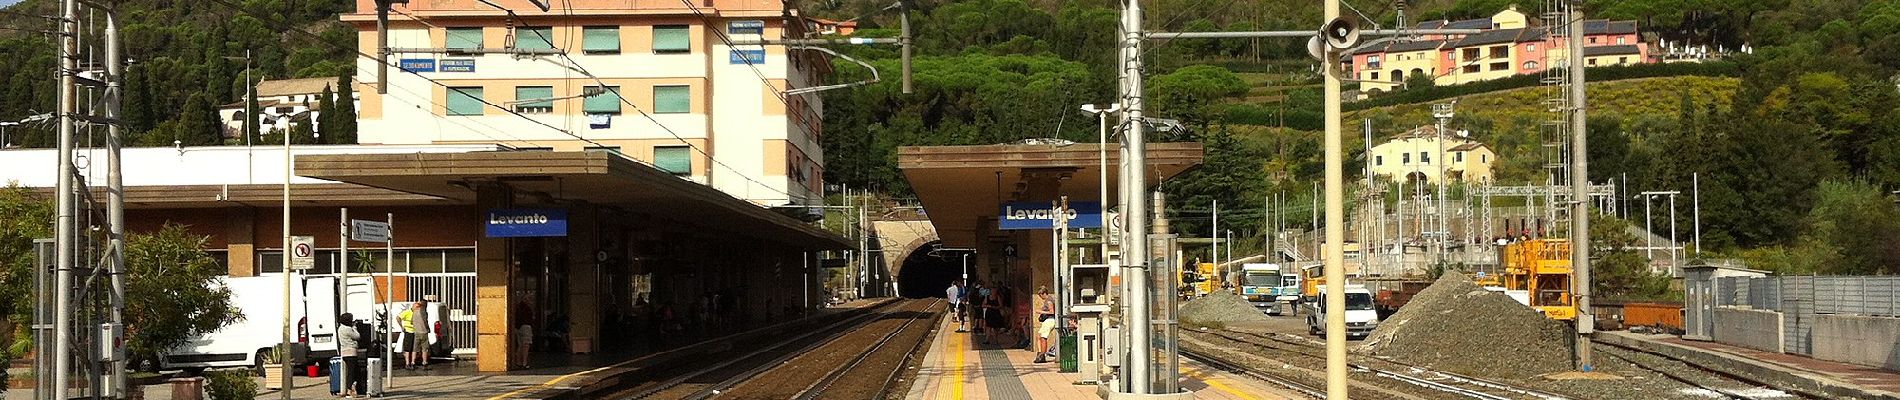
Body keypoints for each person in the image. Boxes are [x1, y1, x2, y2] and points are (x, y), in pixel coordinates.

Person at [336, 313, 363, 398]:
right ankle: (350, 390)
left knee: (352, 370)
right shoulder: (348, 329)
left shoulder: (340, 328)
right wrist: (354, 327)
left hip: (344, 352)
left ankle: (352, 388)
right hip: (351, 351)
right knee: (352, 372)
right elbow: (357, 336)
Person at [1032, 286, 1056, 363]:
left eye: (1040, 295)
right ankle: (1040, 353)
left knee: (1043, 337)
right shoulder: (1048, 300)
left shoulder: (1049, 301)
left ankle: (1042, 354)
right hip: (1048, 320)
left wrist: (1041, 312)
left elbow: (1052, 312)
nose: (1040, 297)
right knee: (1039, 336)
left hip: (1050, 320)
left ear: (1044, 293)